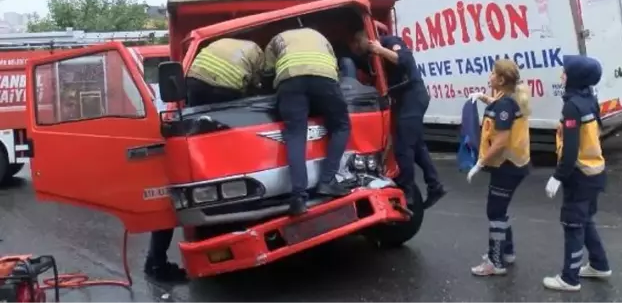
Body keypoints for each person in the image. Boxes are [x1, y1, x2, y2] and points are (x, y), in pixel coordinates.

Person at [145, 38, 265, 283]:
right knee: (169, 205)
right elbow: (254, 84)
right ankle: (156, 263)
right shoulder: (256, 52)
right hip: (176, 143)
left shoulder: (212, 51)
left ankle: (155, 262)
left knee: (166, 205)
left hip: (186, 109)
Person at [348, 30, 446, 208]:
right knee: (416, 146)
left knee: (403, 146)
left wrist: (380, 49)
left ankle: (406, 190)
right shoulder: (368, 57)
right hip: (402, 99)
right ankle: (435, 186)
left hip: (412, 96)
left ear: (365, 38)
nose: (356, 47)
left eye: (357, 42)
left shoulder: (389, 42)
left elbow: (404, 60)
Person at [264, 28, 351, 216]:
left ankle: (298, 197)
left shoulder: (277, 38)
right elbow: (334, 66)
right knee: (341, 126)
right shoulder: (320, 36)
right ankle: (327, 181)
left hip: (290, 81)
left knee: (296, 135)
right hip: (324, 78)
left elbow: (267, 71)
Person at [542, 55, 611, 292]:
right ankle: (599, 265)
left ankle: (569, 278)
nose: (562, 75)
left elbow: (571, 150)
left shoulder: (572, 106)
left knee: (573, 224)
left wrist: (558, 176)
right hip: (595, 172)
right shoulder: (589, 100)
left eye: (565, 71)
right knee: (586, 220)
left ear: (575, 77)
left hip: (579, 175)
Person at [466, 59, 531, 276]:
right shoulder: (508, 98)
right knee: (500, 209)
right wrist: (483, 98)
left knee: (494, 211)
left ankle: (495, 262)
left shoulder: (506, 105)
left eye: (493, 74)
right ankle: (507, 252)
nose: (489, 77)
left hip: (507, 166)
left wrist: (480, 163)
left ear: (501, 80)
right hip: (514, 165)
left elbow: (501, 140)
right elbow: (499, 106)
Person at [185, 38, 266, 106]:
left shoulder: (222, 41)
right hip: (226, 87)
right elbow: (257, 81)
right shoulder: (256, 49)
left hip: (195, 80)